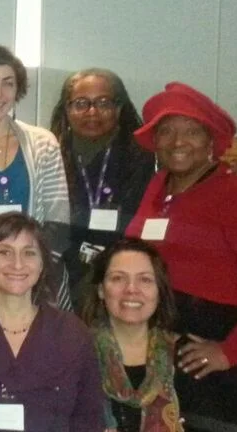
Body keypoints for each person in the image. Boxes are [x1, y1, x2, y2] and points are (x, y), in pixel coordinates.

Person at [125, 82, 237, 432]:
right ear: (155, 140)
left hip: (225, 355)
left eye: (192, 131)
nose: (178, 141)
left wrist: (230, 351)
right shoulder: (158, 187)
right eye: (167, 131)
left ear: (211, 141)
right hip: (172, 349)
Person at [0, 212, 104, 431]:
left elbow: (89, 419)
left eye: (29, 253)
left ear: (42, 265)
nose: (17, 264)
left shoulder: (73, 334)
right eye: (4, 252)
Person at [0, 45, 73, 311]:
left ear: (17, 89)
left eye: (7, 83)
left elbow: (58, 221)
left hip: (39, 278)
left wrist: (31, 270)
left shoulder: (43, 143)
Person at [49, 69, 155, 309]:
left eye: (103, 103)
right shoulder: (50, 154)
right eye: (81, 103)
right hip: (63, 273)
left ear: (119, 108)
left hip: (123, 274)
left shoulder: (143, 157)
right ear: (66, 109)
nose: (92, 112)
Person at [80, 238, 183, 432]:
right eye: (118, 278)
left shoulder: (184, 357)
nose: (131, 289)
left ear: (159, 291)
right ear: (101, 290)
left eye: (145, 279)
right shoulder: (74, 353)